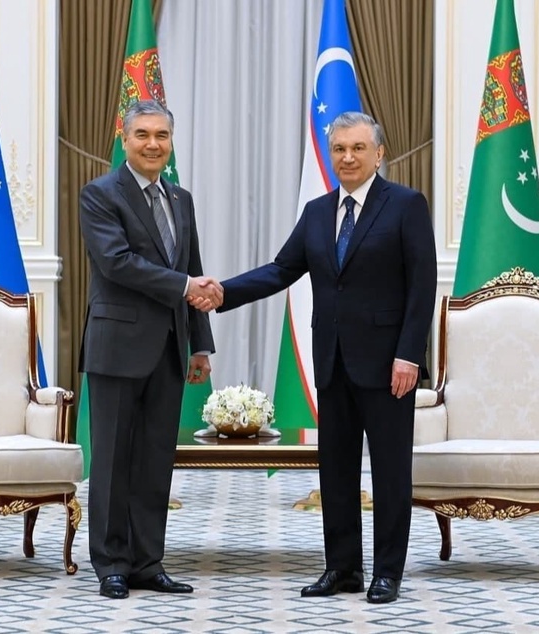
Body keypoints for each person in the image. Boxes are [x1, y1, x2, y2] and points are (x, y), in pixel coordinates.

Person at [215, 112, 437, 604]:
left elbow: (423, 285)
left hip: (389, 367)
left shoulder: (405, 205)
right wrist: (222, 293)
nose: (348, 157)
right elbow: (280, 270)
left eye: (358, 148)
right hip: (332, 361)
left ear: (379, 153)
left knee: (389, 472)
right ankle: (342, 569)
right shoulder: (317, 211)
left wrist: (409, 355)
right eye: (339, 149)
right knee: (335, 471)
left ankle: (387, 573)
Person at [78, 99, 222, 599]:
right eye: (142, 135)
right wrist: (185, 286)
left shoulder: (181, 198)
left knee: (155, 460)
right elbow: (116, 263)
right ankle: (112, 564)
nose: (153, 144)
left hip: (169, 348)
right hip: (117, 347)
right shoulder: (100, 194)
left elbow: (192, 266)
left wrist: (200, 346)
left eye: (162, 135)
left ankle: (147, 562)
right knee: (113, 460)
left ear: (171, 142)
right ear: (124, 140)